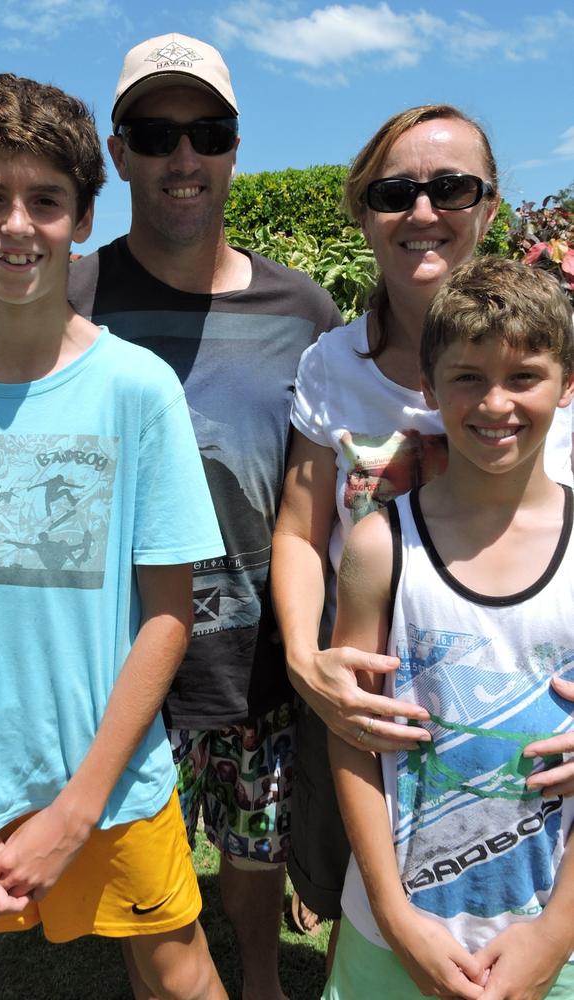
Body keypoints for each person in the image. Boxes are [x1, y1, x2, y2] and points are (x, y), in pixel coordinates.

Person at [0, 72, 227, 1000]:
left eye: (46, 200)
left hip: (111, 782)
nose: (17, 225)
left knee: (180, 976)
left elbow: (167, 616)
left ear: (84, 217)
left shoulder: (138, 390)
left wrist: (76, 810)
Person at [68, 32, 342, 1000]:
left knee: (254, 843)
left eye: (205, 132)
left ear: (233, 147)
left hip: (257, 647)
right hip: (119, 648)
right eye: (154, 133)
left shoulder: (301, 309)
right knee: (143, 858)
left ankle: (261, 975)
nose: (181, 158)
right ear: (119, 151)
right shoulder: (73, 297)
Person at [271, 105, 574, 950]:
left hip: (528, 712)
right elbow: (299, 530)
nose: (424, 210)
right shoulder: (333, 364)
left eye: (452, 187)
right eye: (395, 190)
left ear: (489, 205)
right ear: (364, 210)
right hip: (367, 709)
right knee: (371, 918)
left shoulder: (552, 363)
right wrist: (308, 662)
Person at [324, 256, 574, 999]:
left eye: (524, 375)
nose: (495, 402)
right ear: (429, 389)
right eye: (468, 376)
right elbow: (352, 732)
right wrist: (396, 919)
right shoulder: (378, 546)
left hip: (554, 933)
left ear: (567, 383)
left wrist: (556, 933)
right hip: (393, 933)